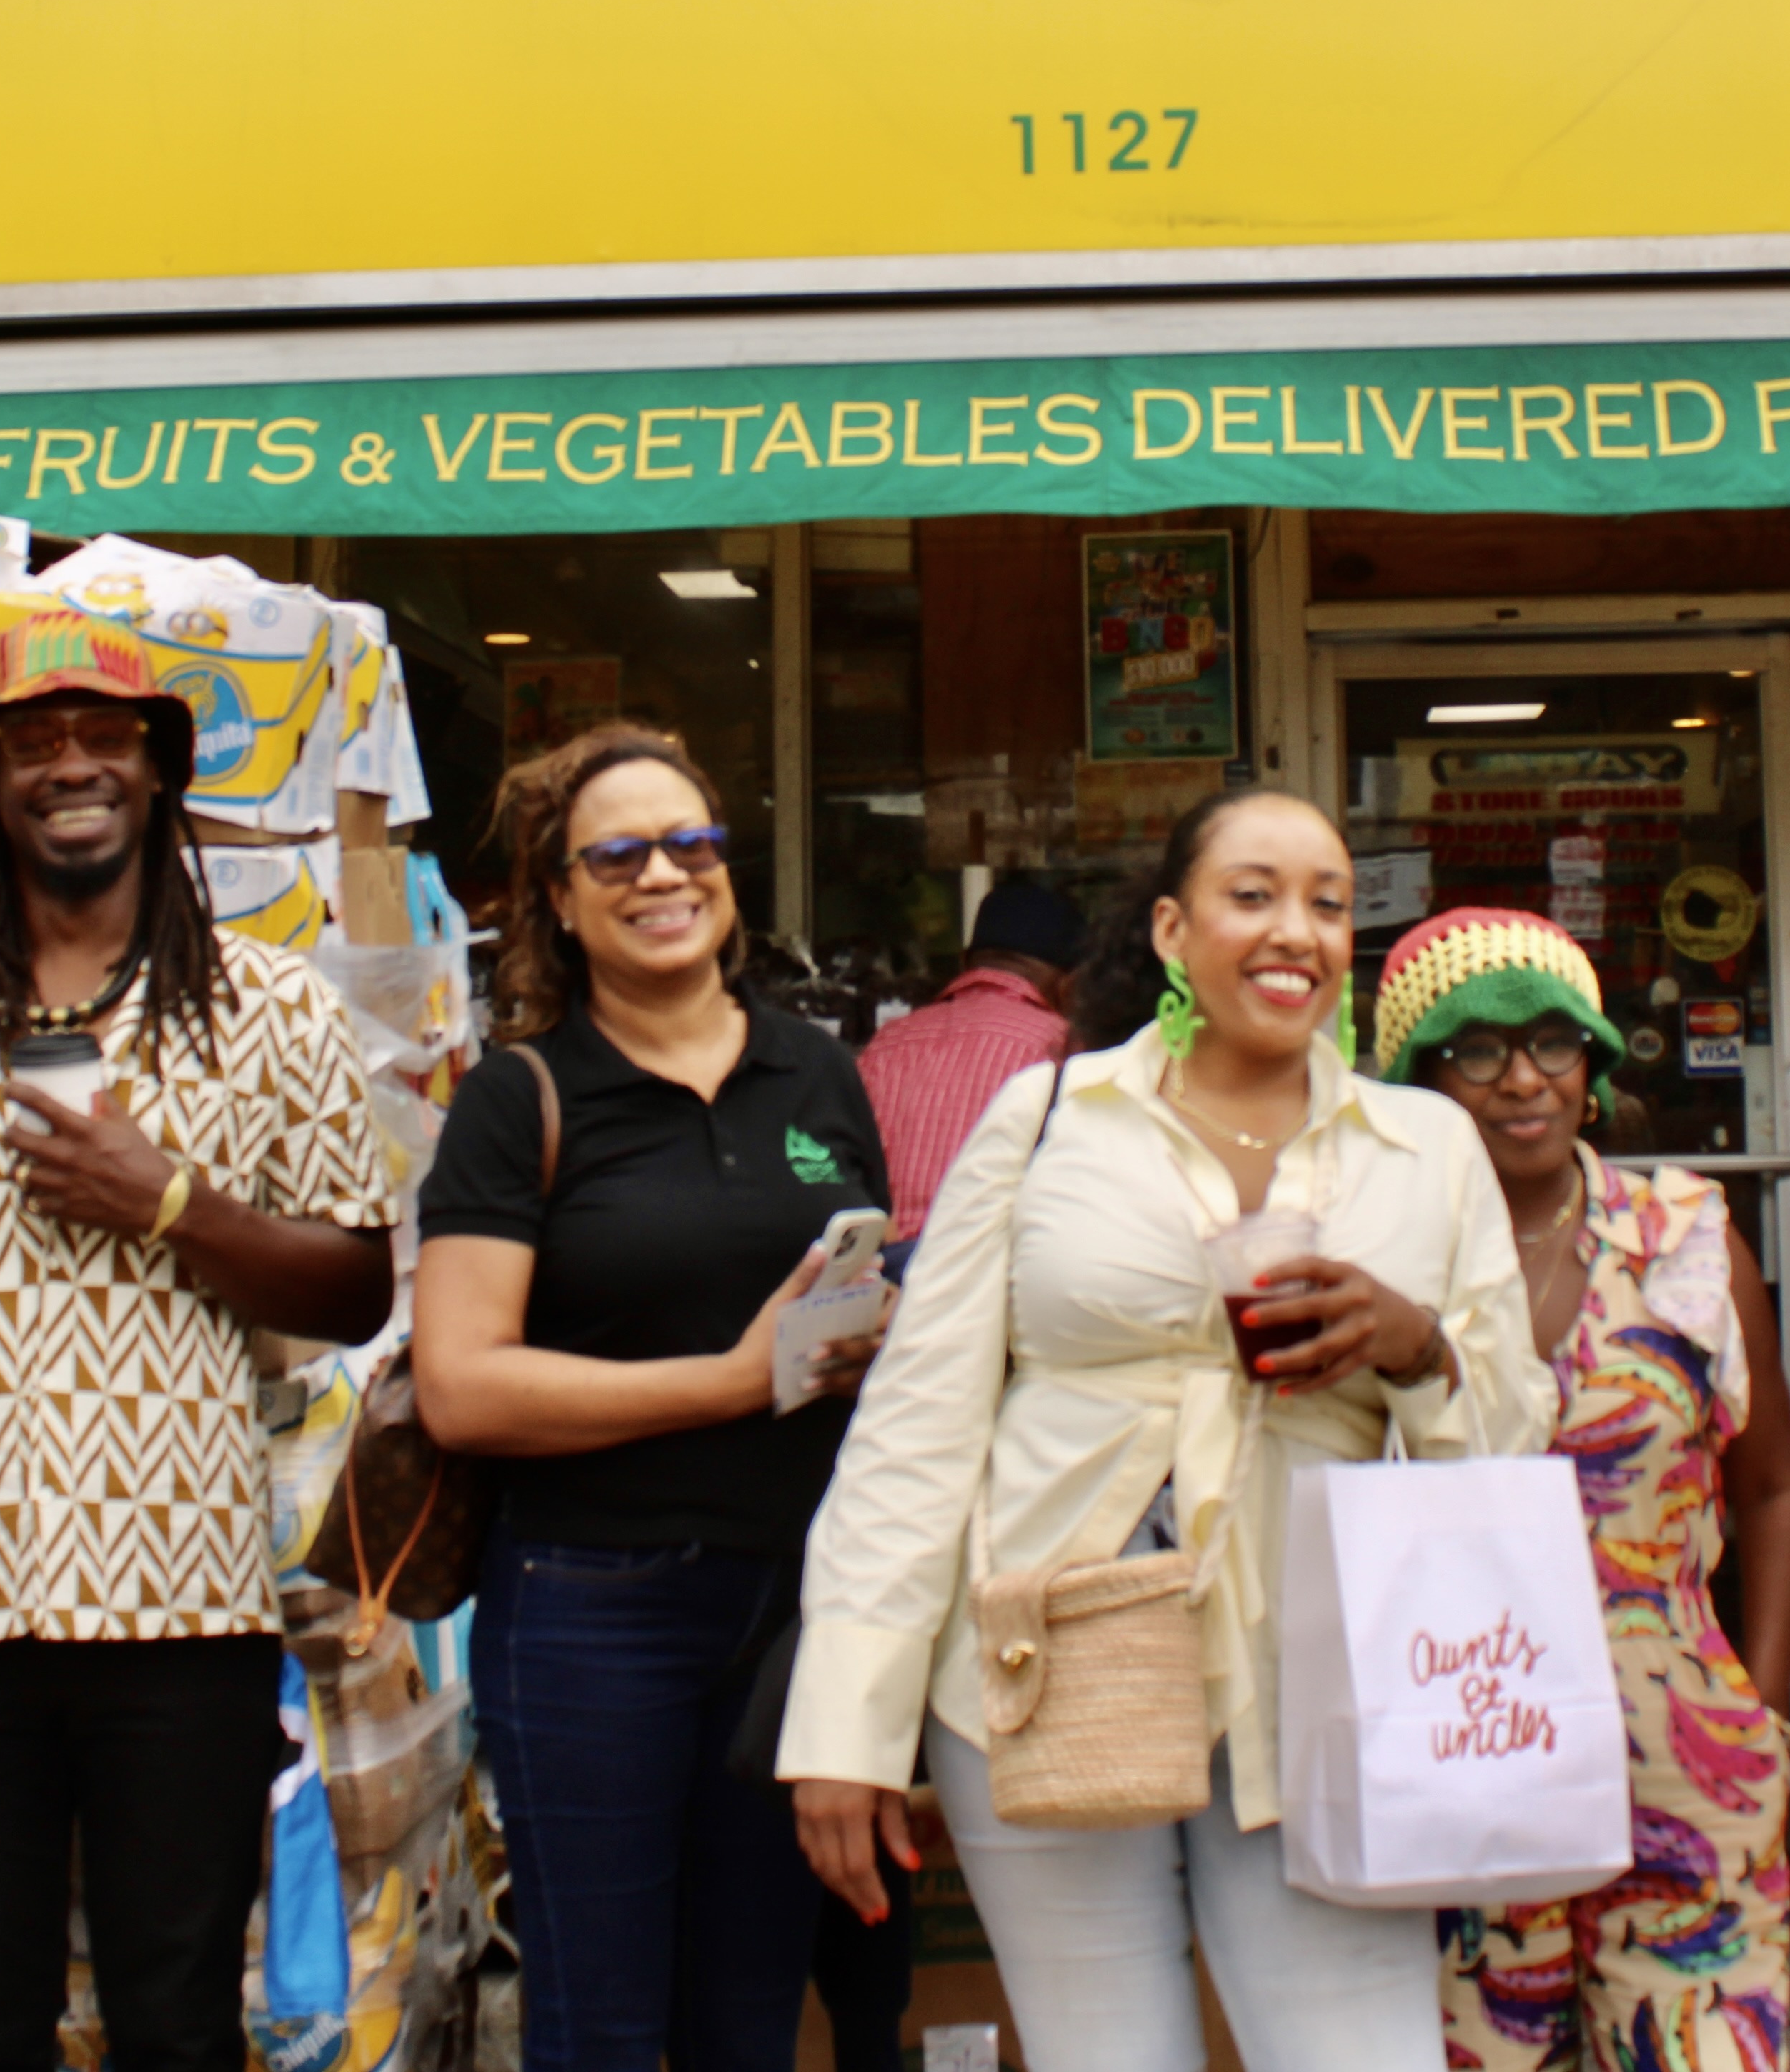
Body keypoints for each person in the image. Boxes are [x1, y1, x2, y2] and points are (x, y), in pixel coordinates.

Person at [779, 789, 1548, 2072]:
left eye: (1328, 901)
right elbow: (915, 1437)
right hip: (1048, 1663)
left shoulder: (1426, 1146)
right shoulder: (1046, 1122)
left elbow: (1511, 1440)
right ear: (1174, 930)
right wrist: (849, 1728)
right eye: (1252, 895)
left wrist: (1416, 1346)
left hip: (1320, 1685)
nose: (1294, 929)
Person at [0, 593, 398, 2072]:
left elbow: (356, 1285)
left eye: (103, 731)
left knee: (177, 2021)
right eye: (30, 738)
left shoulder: (274, 1009)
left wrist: (170, 1198)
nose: (70, 761)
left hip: (182, 1614)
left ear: (160, 764)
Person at [409, 722, 895, 2072]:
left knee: (749, 2021)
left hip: (791, 1610)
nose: (660, 875)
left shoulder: (816, 1069)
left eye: (691, 845)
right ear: (559, 900)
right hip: (590, 1609)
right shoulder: (522, 1098)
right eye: (614, 854)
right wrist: (732, 1381)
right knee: (604, 2025)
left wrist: (874, 1325)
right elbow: (461, 1386)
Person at [1375, 909, 1790, 2072]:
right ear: (1419, 1079)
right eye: (1478, 1051)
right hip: (1460, 1772)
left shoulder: (1684, 1242)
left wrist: (1758, 1717)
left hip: (1682, 1771)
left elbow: (1770, 1492)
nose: (1524, 1079)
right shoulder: (1380, 1268)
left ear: (1596, 1060)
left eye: (1555, 1043)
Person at [860, 877, 1086, 1242]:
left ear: (964, 962)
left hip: (881, 1277)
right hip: (987, 1274)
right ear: (1070, 986)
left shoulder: (888, 1042)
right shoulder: (1062, 1049)